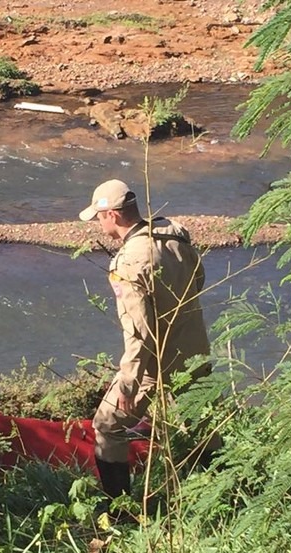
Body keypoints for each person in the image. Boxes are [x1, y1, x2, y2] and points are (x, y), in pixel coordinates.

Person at [79, 179, 212, 502]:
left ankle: (120, 509)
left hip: (156, 361)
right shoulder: (173, 234)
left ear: (111, 215)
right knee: (200, 424)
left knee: (108, 425)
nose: (99, 224)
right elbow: (199, 279)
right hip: (195, 350)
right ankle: (223, 494)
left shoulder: (127, 263)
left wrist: (128, 382)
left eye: (99, 217)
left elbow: (139, 332)